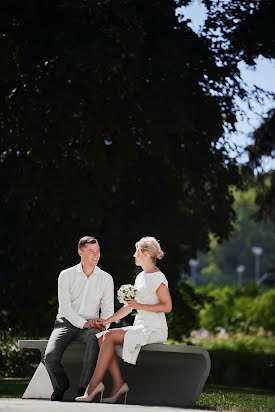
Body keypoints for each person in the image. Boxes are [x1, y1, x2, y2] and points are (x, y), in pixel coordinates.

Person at [75, 236, 172, 404]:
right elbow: (130, 307)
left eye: (136, 252)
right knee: (103, 335)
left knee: (109, 337)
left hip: (154, 329)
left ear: (144, 253)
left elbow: (167, 306)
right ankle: (118, 384)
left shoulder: (158, 278)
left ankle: (93, 386)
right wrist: (106, 321)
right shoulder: (140, 277)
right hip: (141, 326)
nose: (134, 255)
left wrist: (140, 305)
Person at [44, 236, 114, 401]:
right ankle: (61, 385)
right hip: (65, 324)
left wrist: (103, 324)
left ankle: (83, 390)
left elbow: (108, 310)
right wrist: (84, 323)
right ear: (80, 252)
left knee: (93, 338)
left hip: (91, 327)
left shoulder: (106, 278)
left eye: (97, 251)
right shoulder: (66, 275)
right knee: (50, 358)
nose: (96, 255)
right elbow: (66, 308)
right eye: (91, 251)